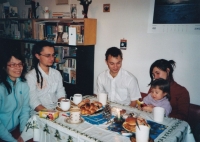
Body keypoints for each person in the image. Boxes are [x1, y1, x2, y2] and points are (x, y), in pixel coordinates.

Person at [26, 41, 66, 115]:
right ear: (38, 56)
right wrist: (50, 114)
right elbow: (33, 101)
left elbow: (60, 92)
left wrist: (65, 106)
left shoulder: (56, 74)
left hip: (56, 109)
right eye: (48, 56)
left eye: (53, 55)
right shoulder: (30, 77)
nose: (52, 58)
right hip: (39, 113)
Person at [0, 49, 30, 142]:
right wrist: (12, 140)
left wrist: (23, 133)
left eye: (20, 64)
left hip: (14, 130)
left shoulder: (23, 85)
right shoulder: (1, 88)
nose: (18, 68)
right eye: (13, 65)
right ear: (5, 67)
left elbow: (25, 110)